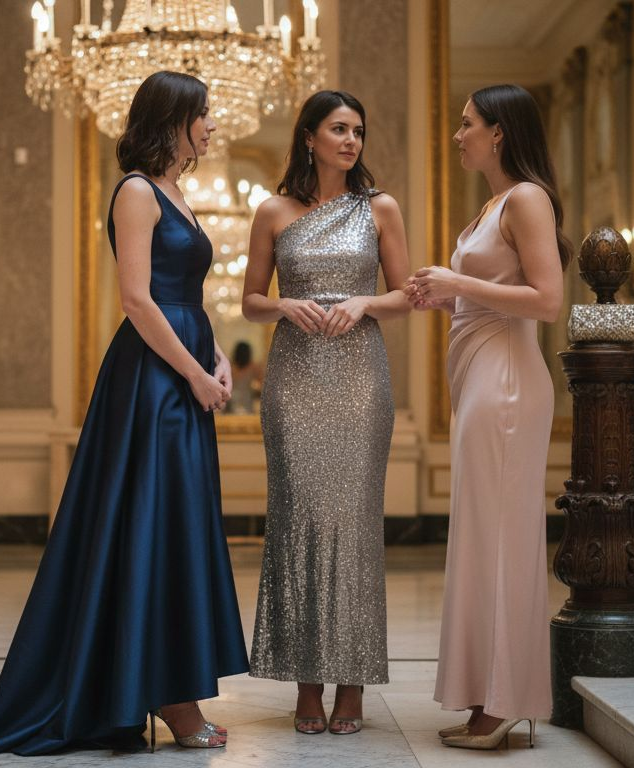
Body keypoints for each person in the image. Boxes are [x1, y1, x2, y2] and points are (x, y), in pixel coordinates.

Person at [0, 71, 249, 756]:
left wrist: (217, 352)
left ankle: (171, 691)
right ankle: (169, 699)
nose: (214, 127)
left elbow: (184, 293)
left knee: (173, 530)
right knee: (151, 528)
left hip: (182, 372)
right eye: (205, 116)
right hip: (153, 383)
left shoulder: (179, 192)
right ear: (174, 120)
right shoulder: (136, 191)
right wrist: (194, 373)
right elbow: (138, 300)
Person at [241, 90, 411, 736]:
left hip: (360, 380)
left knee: (356, 528)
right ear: (308, 136)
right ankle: (306, 684)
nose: (352, 141)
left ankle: (354, 685)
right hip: (294, 380)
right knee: (298, 523)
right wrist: (285, 307)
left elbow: (405, 295)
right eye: (339, 129)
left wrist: (365, 305)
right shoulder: (272, 212)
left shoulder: (380, 208)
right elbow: (251, 300)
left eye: (359, 131)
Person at [405, 83, 569, 750]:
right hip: (482, 376)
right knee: (484, 540)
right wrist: (447, 299)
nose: (458, 134)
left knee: (501, 541)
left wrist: (458, 283)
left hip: (507, 387)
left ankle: (504, 700)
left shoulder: (526, 198)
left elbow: (548, 300)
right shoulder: (493, 205)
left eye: (467, 123)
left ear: (499, 132)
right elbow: (498, 296)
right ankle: (491, 690)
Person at [226, 340, 262, 414]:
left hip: (247, 406)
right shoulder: (229, 367)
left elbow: (262, 387)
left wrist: (256, 388)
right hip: (231, 406)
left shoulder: (254, 368)